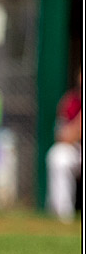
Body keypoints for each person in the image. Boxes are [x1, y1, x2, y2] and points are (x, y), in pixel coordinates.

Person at [46, 72, 82, 222]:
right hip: (77, 150)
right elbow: (63, 137)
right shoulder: (71, 101)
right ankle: (62, 215)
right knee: (58, 156)